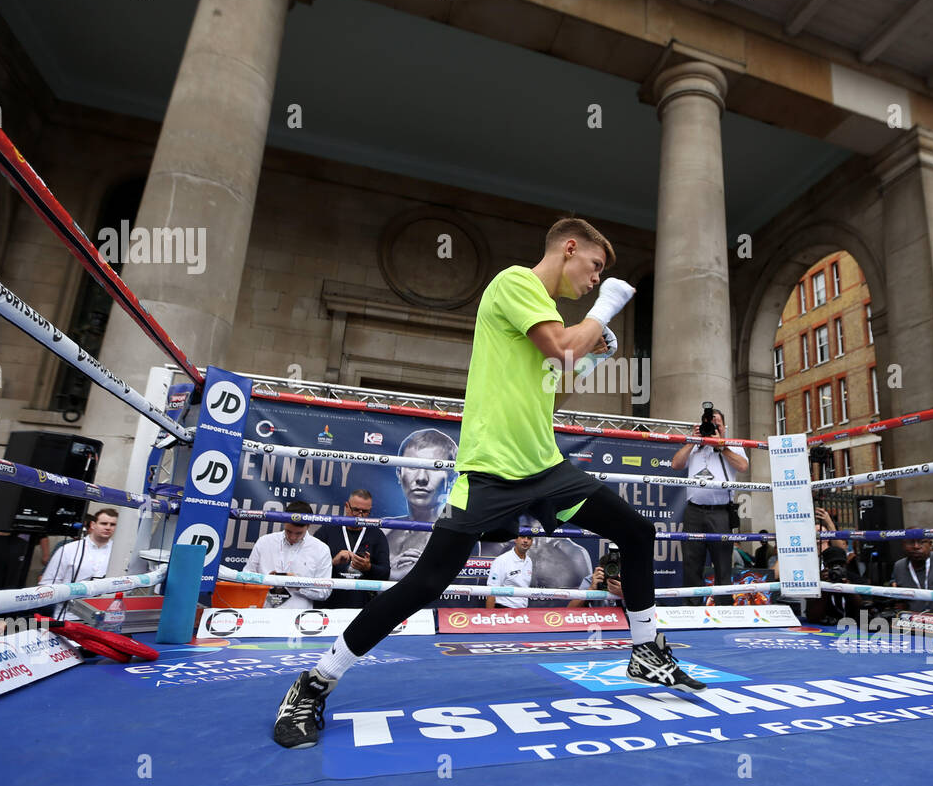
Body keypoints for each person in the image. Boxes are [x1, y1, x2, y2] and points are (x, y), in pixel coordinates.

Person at [273, 217, 704, 749]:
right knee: (424, 586)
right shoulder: (515, 283)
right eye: (595, 266)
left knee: (637, 532)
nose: (596, 278)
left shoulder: (542, 317)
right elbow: (563, 349)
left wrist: (589, 360)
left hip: (545, 469)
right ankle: (313, 683)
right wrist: (604, 310)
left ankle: (647, 652)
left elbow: (554, 391)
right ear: (569, 248)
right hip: (492, 472)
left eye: (602, 277)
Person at [670, 406, 749, 606]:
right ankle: (692, 607)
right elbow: (676, 464)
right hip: (694, 512)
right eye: (710, 423)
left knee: (723, 563)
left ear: (724, 427)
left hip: (720, 513)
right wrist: (692, 441)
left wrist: (721, 446)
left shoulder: (732, 445)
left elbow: (742, 466)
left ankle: (723, 607)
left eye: (717, 424)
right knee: (691, 562)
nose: (713, 427)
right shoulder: (695, 445)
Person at [382, 428, 460, 582]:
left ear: (452, 478)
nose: (421, 478)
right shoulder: (384, 529)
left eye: (434, 467)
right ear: (399, 473)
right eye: (412, 466)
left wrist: (390, 574)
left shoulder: (457, 532)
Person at [245, 500, 333, 609]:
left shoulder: (321, 549)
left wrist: (298, 584)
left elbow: (324, 592)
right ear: (283, 522)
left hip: (298, 619)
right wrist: (265, 580)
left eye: (298, 533)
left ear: (308, 525)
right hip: (263, 615)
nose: (292, 537)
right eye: (289, 531)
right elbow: (246, 578)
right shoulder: (264, 542)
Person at [314, 489, 390, 610]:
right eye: (356, 510)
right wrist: (332, 563)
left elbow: (386, 573)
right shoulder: (327, 531)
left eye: (365, 512)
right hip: (328, 606)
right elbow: (311, 569)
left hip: (362, 606)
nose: (360, 515)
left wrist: (369, 568)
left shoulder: (377, 535)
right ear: (346, 506)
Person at [40, 508, 117, 585]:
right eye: (103, 523)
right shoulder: (69, 549)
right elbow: (48, 582)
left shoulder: (120, 552)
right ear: (93, 525)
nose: (108, 528)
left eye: (112, 525)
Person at [485, 534, 533, 609]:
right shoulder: (501, 560)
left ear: (532, 542)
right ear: (516, 539)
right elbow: (492, 590)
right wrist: (489, 616)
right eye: (522, 537)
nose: (526, 541)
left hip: (522, 612)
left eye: (529, 538)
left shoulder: (529, 561)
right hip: (503, 610)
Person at [568, 543, 623, 608]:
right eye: (608, 570)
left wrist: (623, 594)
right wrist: (591, 589)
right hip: (598, 616)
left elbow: (637, 611)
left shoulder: (630, 581)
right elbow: (571, 609)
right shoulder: (592, 579)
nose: (611, 574)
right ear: (601, 569)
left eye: (614, 570)